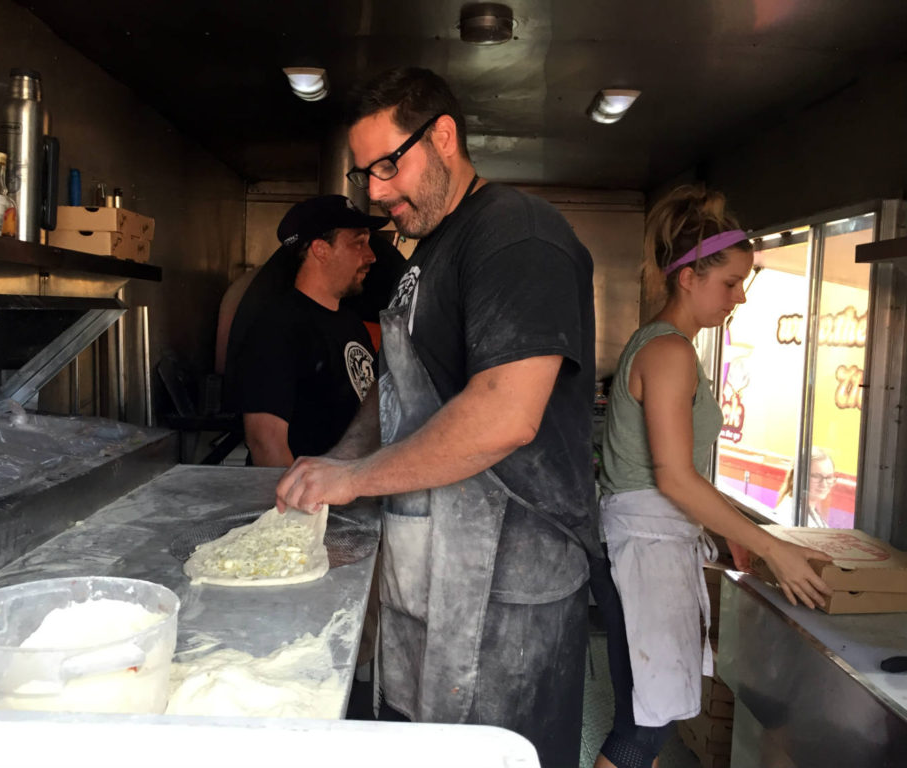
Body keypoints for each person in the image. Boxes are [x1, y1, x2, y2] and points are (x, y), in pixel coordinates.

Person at [274, 67, 599, 767]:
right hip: (438, 577)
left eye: (389, 164)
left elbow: (506, 415)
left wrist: (357, 478)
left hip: (510, 593)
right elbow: (395, 388)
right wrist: (333, 463)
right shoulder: (435, 253)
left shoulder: (518, 235)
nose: (377, 191)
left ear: (444, 136)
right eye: (366, 174)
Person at [593, 185, 834, 768]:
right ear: (688, 278)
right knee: (643, 729)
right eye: (730, 283)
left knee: (650, 715)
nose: (740, 297)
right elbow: (674, 479)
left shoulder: (667, 346)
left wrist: (727, 533)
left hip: (650, 542)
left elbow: (682, 475)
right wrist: (772, 546)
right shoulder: (670, 353)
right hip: (644, 548)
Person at [234, 194, 388, 466]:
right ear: (320, 250)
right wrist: (299, 508)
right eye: (359, 243)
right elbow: (264, 442)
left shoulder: (351, 323)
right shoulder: (277, 327)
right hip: (308, 503)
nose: (372, 256)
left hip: (347, 495)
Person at [774, 446, 835, 527]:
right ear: (798, 477)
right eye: (816, 476)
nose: (824, 484)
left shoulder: (812, 512)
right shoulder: (788, 516)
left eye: (829, 477)